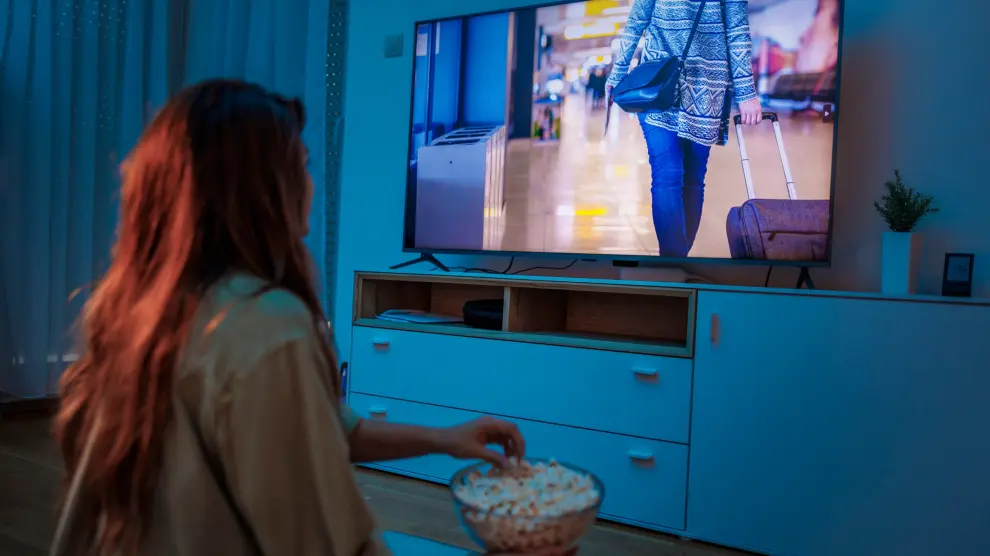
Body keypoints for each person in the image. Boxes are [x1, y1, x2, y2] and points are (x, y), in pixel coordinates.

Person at [52, 79, 569, 556]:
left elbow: (328, 431)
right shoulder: (265, 324)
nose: (310, 184)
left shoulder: (136, 311)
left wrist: (444, 438)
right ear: (259, 190)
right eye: (300, 165)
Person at [606, 0, 762, 258]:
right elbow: (637, 20)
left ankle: (676, 260)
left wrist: (746, 93)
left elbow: (737, 31)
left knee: (691, 177)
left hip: (695, 87)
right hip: (663, 86)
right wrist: (618, 72)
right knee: (670, 174)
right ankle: (673, 263)